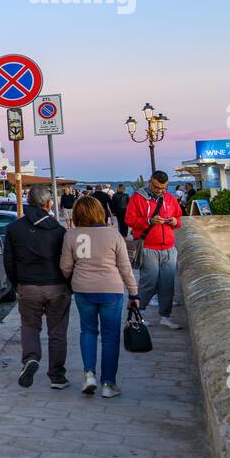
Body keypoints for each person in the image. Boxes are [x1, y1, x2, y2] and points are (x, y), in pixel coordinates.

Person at [61, 196, 139, 398]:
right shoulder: (113, 235)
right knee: (110, 337)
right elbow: (125, 267)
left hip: (83, 289)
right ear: (99, 212)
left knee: (87, 331)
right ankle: (108, 383)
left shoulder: (71, 235)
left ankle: (89, 374)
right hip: (110, 289)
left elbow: (65, 267)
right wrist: (134, 292)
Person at [3, 185, 71, 389]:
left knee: (30, 326)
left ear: (28, 202)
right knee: (57, 331)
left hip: (28, 285)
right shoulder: (59, 230)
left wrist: (17, 284)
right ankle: (57, 375)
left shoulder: (14, 229)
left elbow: (8, 262)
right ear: (48, 204)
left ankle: (31, 358)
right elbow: (67, 261)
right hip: (56, 285)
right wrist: (68, 285)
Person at [124, 170, 182, 329]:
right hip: (148, 246)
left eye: (163, 188)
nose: (160, 191)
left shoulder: (169, 198)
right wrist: (149, 220)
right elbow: (129, 220)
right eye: (157, 187)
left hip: (169, 247)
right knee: (148, 282)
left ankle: (165, 316)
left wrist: (174, 222)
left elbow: (179, 218)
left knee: (167, 283)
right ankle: (138, 313)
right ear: (150, 182)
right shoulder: (138, 198)